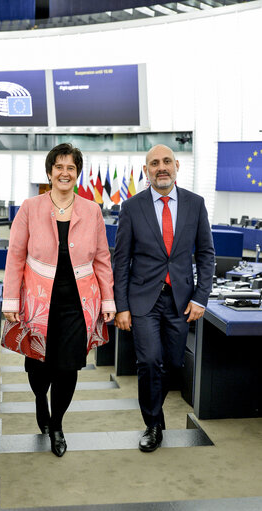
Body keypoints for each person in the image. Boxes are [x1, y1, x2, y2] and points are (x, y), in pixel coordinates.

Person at [2, 143, 116, 457]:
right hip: (38, 302)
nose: (64, 173)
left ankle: (58, 425)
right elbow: (15, 257)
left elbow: (103, 260)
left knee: (68, 368)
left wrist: (109, 301)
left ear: (77, 174)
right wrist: (10, 300)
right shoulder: (30, 207)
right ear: (50, 172)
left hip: (78, 305)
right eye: (59, 167)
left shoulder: (92, 210)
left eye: (71, 168)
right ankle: (40, 399)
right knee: (38, 369)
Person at [113, 144, 214, 453]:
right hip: (143, 299)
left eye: (166, 161)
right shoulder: (132, 207)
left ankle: (155, 411)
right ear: (146, 170)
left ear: (177, 165)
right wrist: (122, 307)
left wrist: (200, 298)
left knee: (171, 362)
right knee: (149, 361)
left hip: (181, 301)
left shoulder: (196, 205)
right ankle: (153, 423)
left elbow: (207, 255)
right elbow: (121, 260)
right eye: (154, 163)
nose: (161, 167)